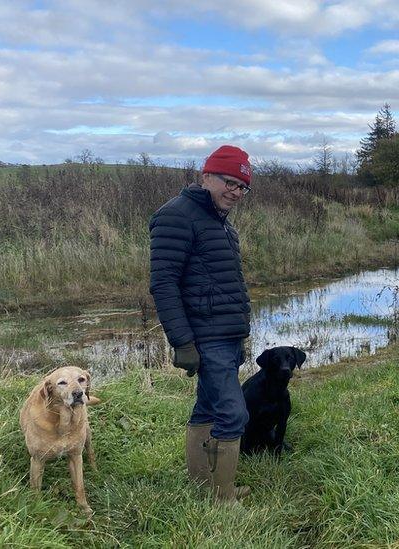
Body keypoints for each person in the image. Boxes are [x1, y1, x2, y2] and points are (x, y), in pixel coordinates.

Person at [148, 145, 253, 501]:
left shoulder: (222, 224)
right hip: (205, 337)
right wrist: (182, 341)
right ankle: (222, 500)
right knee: (233, 414)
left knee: (207, 407)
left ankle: (203, 487)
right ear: (206, 176)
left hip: (227, 334)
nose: (235, 192)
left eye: (242, 187)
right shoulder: (177, 216)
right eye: (229, 182)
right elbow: (163, 284)